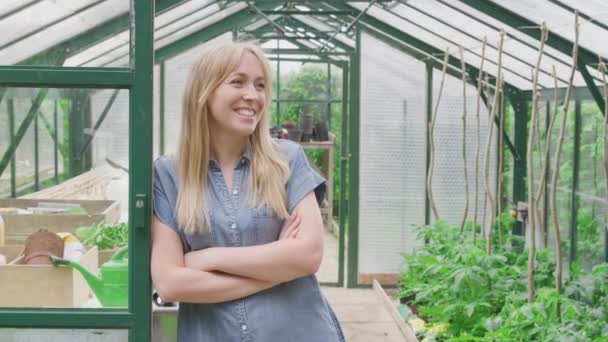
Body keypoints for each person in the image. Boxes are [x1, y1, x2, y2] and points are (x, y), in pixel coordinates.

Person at [151, 41, 345, 342]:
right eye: (237, 82)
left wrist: (209, 257)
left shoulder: (288, 160)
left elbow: (307, 256)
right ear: (204, 91)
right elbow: (170, 283)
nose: (253, 96)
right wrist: (278, 270)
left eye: (261, 85)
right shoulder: (168, 175)